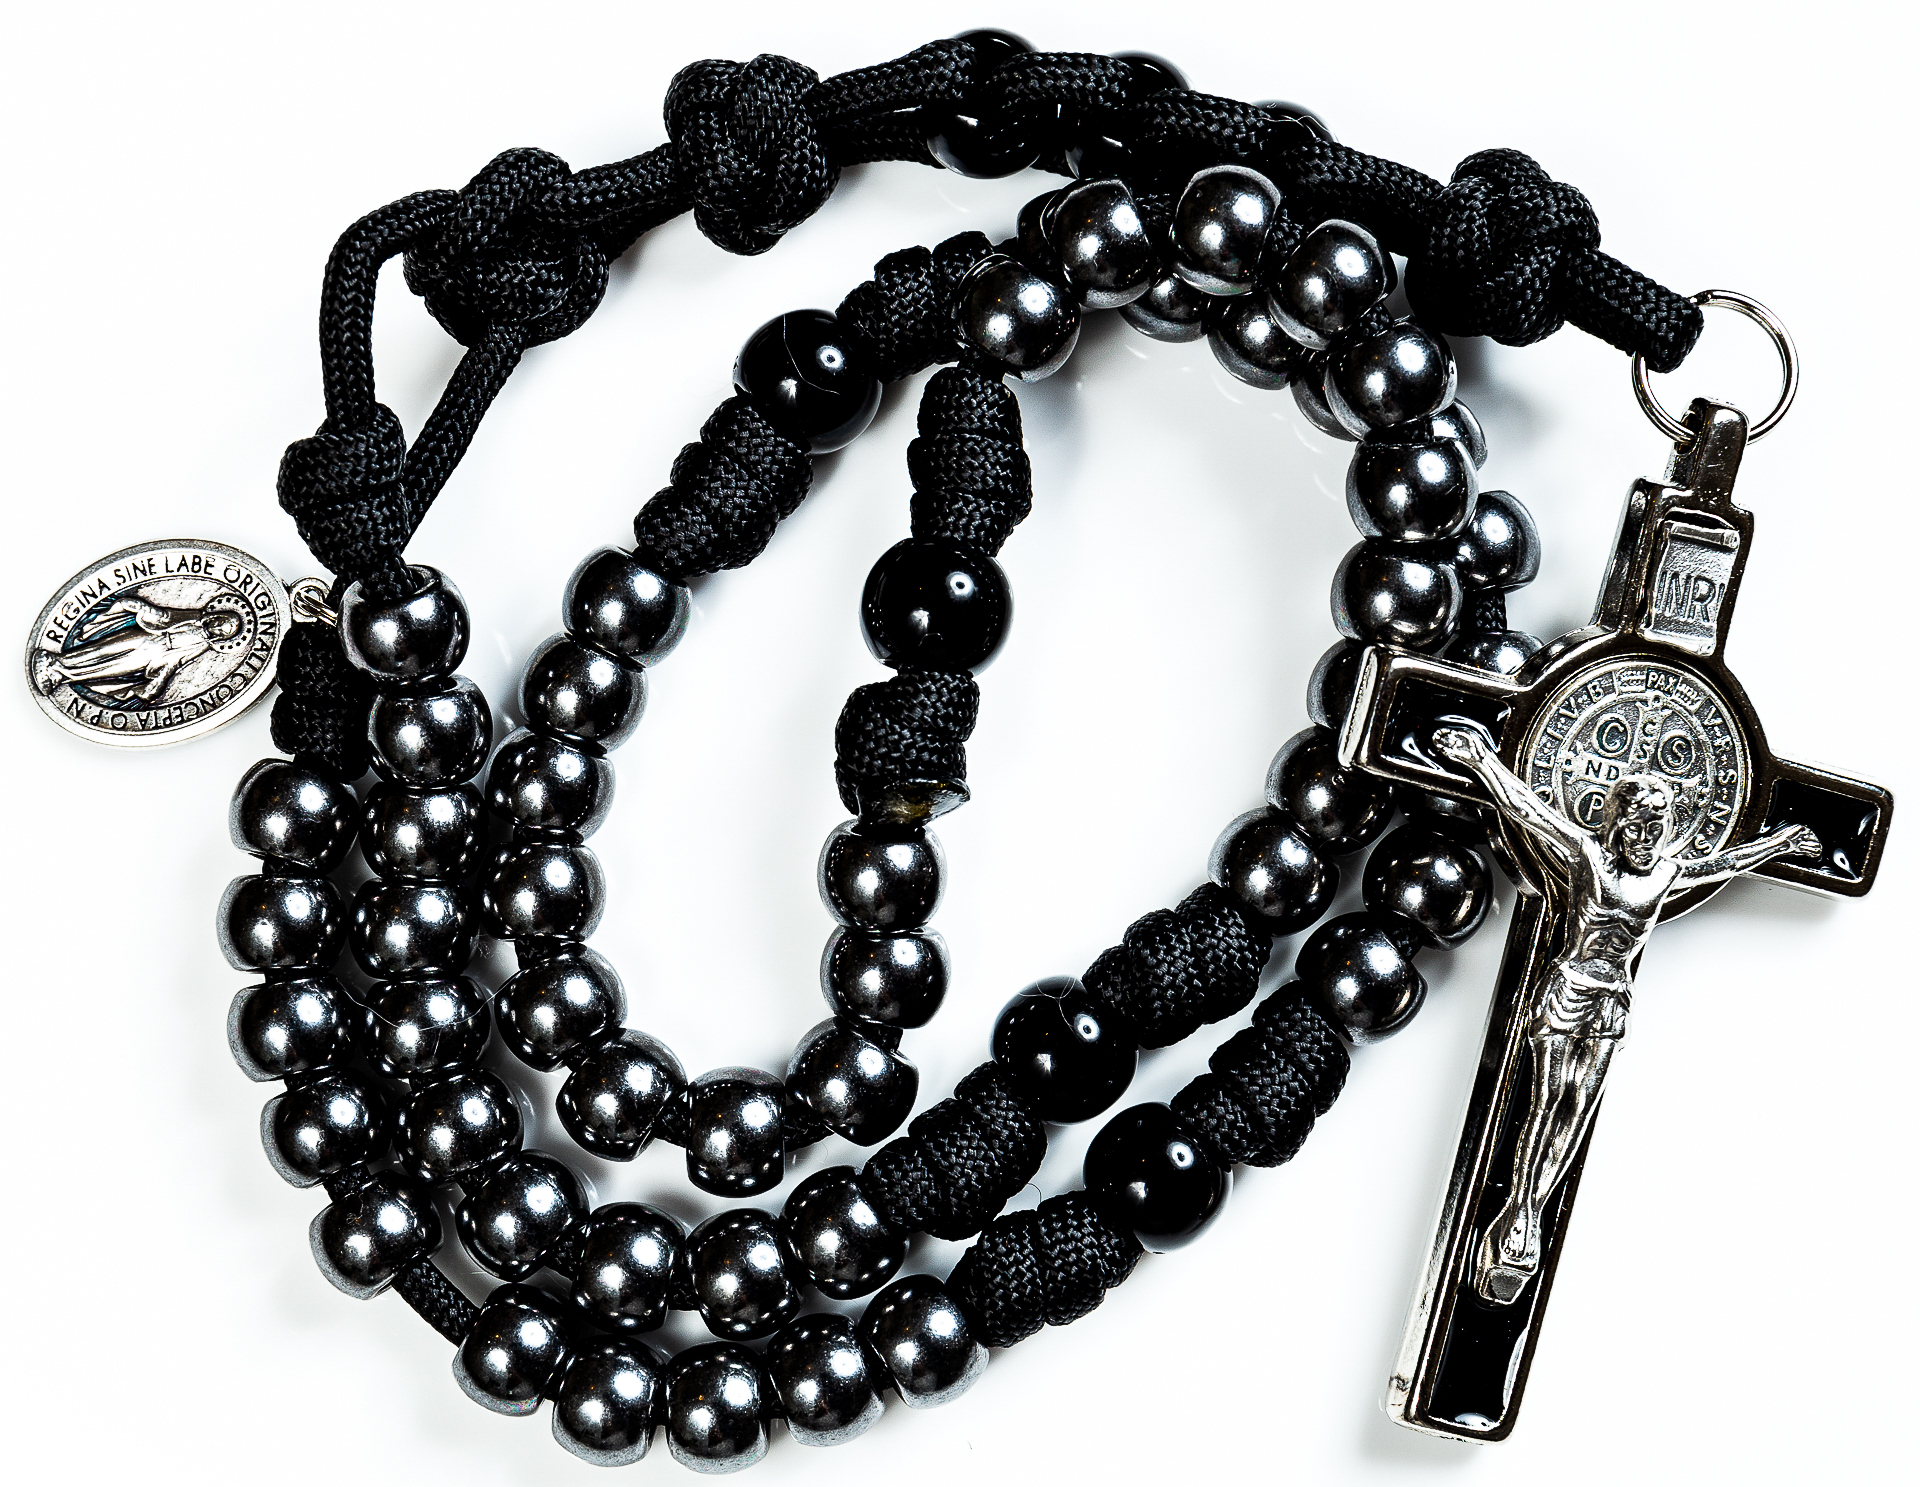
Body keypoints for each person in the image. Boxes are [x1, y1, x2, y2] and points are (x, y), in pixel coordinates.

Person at [1429, 724, 1821, 1304]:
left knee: (1577, 1110)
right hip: (1570, 990)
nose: (1645, 837)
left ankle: (1526, 1210)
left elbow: (1725, 863)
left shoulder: (1665, 874)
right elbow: (1528, 809)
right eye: (1636, 825)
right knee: (1547, 1101)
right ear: (1615, 822)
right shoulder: (1589, 858)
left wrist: (1780, 842)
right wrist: (1482, 759)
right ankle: (1520, 1219)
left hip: (1613, 1000)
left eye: (1656, 829)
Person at [37, 593, 246, 706]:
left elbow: (176, 661)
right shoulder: (194, 617)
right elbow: (165, 617)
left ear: (223, 638)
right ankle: (55, 661)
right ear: (217, 616)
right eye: (222, 621)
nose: (219, 627)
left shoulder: (202, 646)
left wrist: (158, 682)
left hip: (152, 658)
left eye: (224, 631)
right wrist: (144, 609)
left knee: (106, 669)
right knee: (99, 651)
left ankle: (59, 677)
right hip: (146, 637)